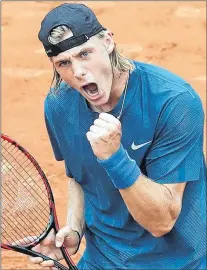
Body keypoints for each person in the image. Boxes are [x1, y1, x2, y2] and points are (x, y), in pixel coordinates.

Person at [31, 3, 206, 269]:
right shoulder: (59, 106)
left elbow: (162, 221)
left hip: (176, 263)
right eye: (64, 63)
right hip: (103, 260)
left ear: (108, 42)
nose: (78, 72)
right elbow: (80, 175)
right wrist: (75, 229)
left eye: (85, 54)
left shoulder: (173, 102)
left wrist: (114, 157)